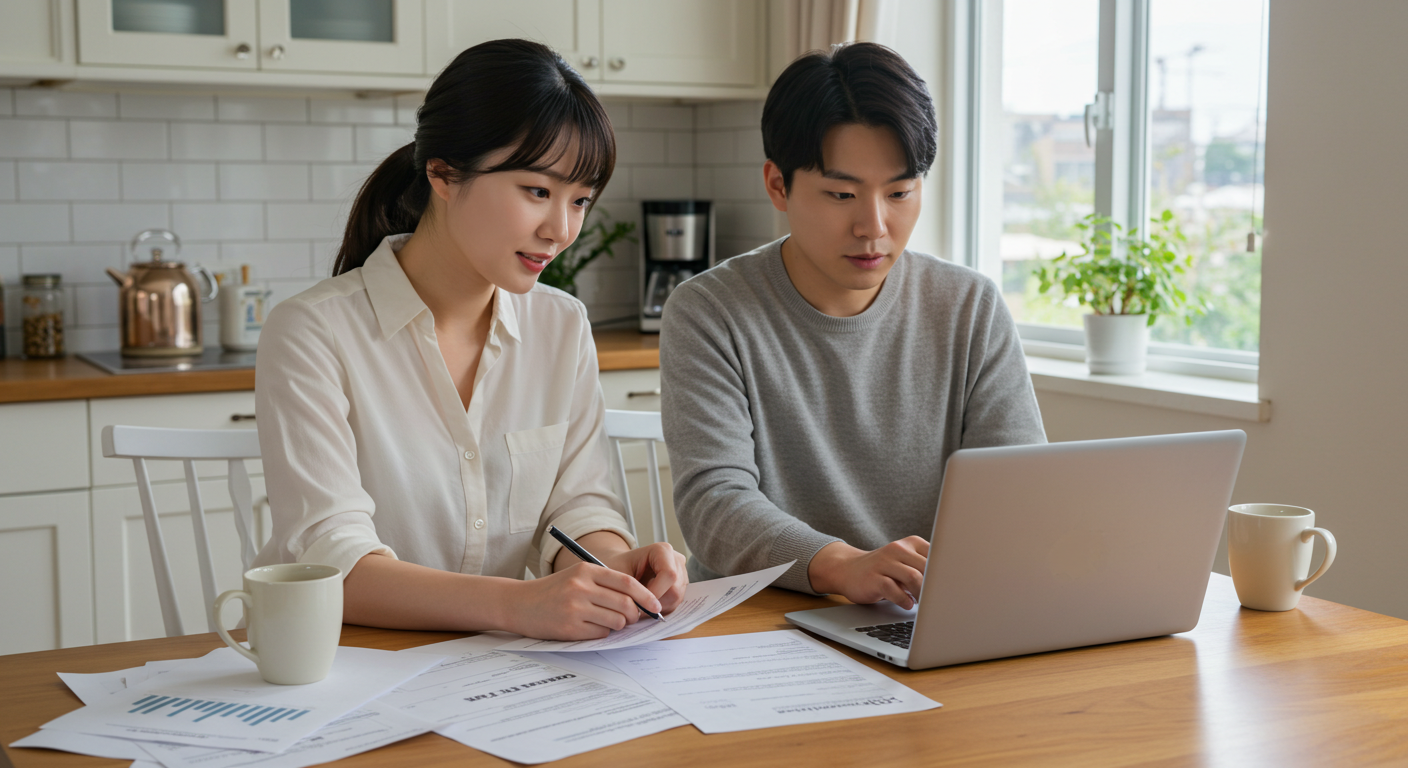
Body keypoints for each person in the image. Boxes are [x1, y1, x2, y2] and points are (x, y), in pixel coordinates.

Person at [252, 39, 687, 641]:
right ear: (444, 174)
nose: (560, 230)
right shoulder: (313, 331)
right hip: (347, 666)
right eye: (537, 191)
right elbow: (333, 563)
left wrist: (610, 566)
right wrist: (519, 605)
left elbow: (577, 505)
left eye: (580, 200)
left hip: (500, 675)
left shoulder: (560, 326)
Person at [660, 42, 1046, 609]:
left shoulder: (969, 306)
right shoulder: (710, 310)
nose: (874, 226)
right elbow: (714, 505)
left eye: (900, 193)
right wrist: (842, 566)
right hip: (757, 623)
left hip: (927, 616)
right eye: (842, 194)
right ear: (777, 186)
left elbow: (1019, 487)